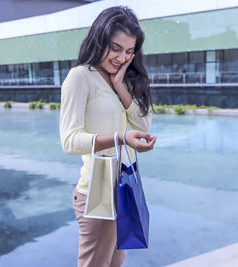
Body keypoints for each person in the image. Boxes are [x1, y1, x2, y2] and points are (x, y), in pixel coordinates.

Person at [59, 6, 157, 267]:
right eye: (115, 48)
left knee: (116, 263)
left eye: (128, 51)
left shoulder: (121, 78)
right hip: (96, 193)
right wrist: (120, 138)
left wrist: (120, 86)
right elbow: (70, 142)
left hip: (123, 188)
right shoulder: (80, 77)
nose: (121, 57)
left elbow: (143, 126)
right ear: (99, 39)